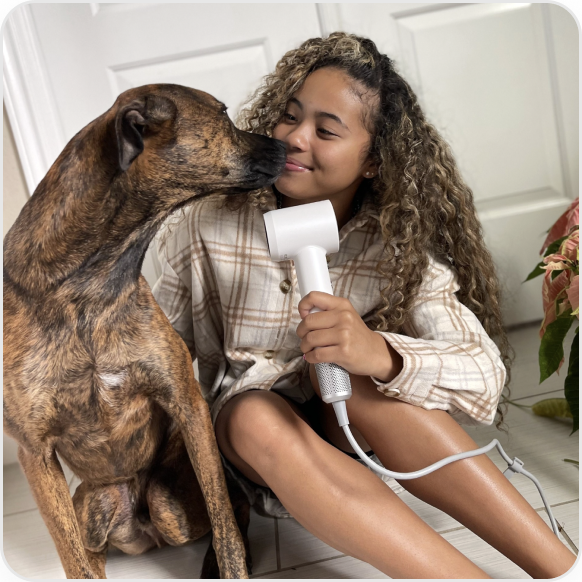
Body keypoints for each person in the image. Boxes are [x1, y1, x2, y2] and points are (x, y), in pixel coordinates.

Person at [153, 32, 576, 579]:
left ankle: (563, 570)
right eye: (288, 117)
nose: (295, 138)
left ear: (374, 160)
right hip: (244, 441)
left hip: (349, 435)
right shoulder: (203, 221)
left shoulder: (393, 243)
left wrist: (381, 355)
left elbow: (485, 376)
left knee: (363, 383)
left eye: (326, 130)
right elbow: (154, 355)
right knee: (254, 413)